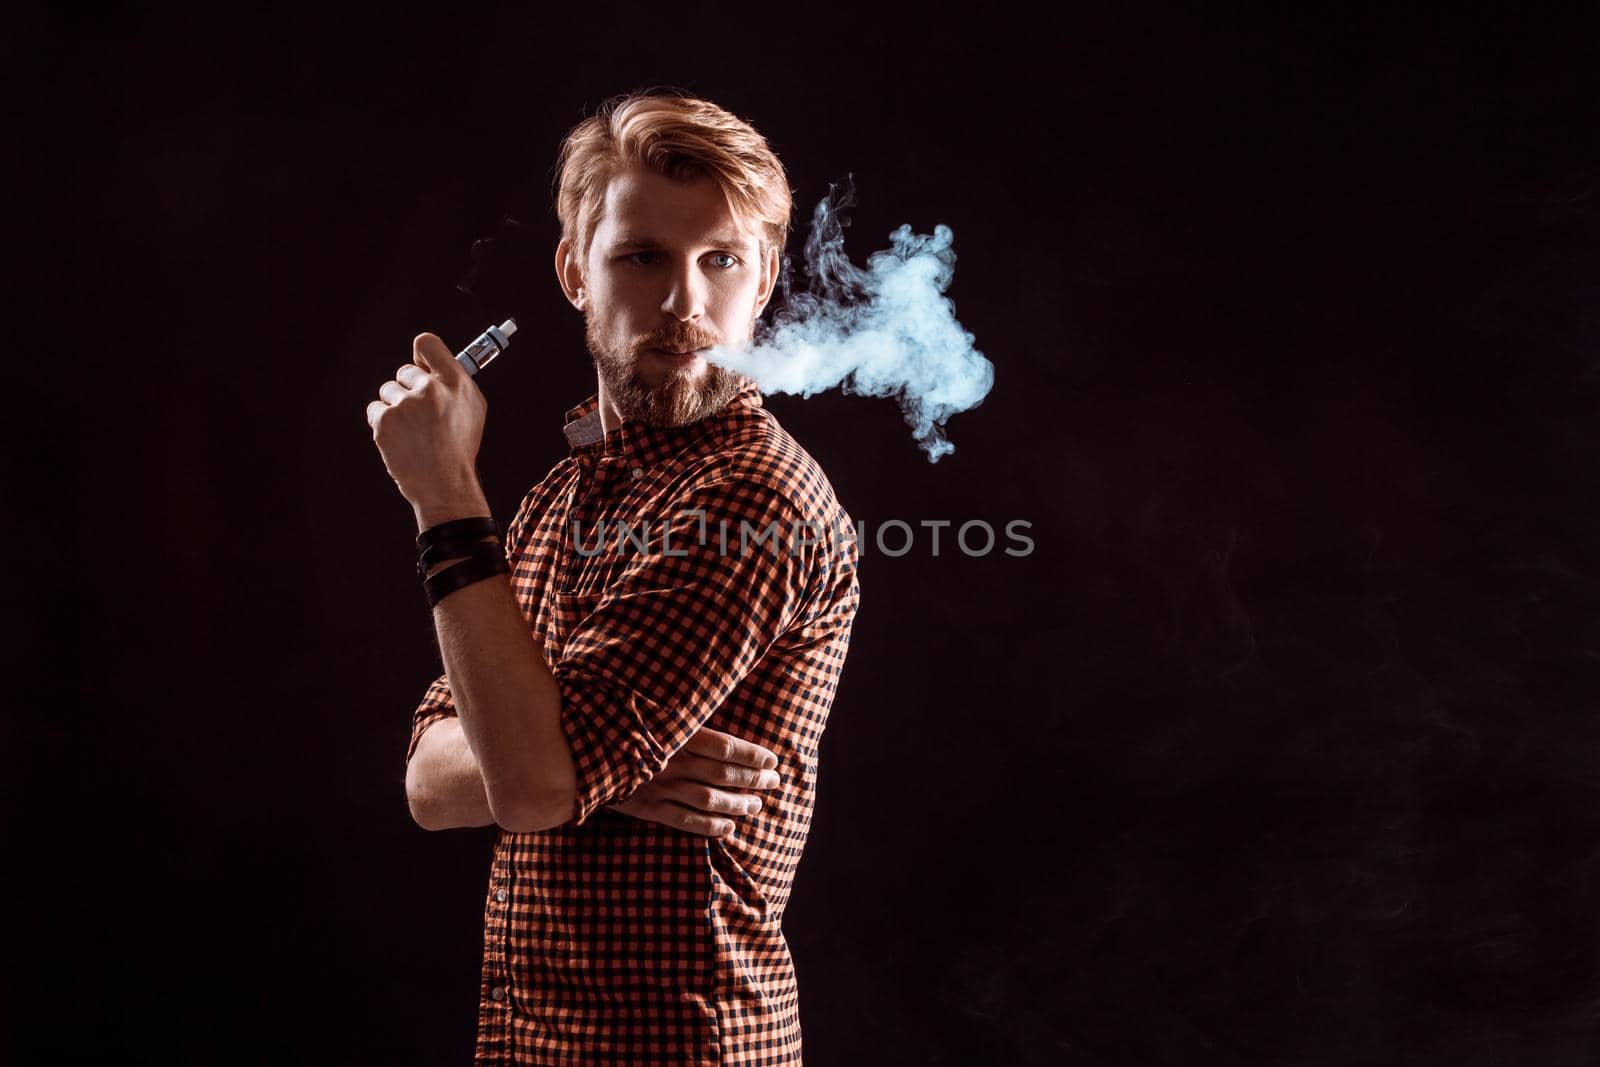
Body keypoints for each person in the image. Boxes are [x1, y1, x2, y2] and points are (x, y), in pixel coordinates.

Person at [364, 89, 862, 1065]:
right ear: (574, 273)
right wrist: (594, 767)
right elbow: (428, 777)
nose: (684, 302)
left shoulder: (751, 502)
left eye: (720, 259)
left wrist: (444, 496)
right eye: (641, 257)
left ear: (762, 280)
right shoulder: (564, 495)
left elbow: (536, 783)